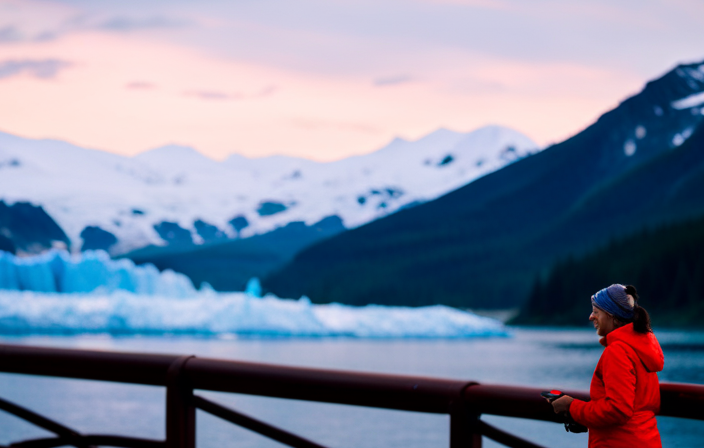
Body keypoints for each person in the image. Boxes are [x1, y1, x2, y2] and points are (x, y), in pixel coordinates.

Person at [551, 284, 664, 448]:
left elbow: (617, 410)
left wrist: (572, 406)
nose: (591, 317)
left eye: (596, 312)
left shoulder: (617, 351)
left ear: (612, 316)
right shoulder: (641, 349)